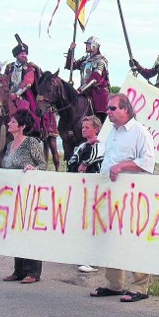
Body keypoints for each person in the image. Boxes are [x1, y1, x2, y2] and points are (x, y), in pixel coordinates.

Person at [89, 93, 155, 303]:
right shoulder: (112, 133)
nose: (108, 112)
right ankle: (114, 284)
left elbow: (147, 163)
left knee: (133, 239)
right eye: (107, 108)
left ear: (126, 109)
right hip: (110, 193)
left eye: (112, 108)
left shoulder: (140, 132)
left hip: (132, 195)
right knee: (111, 237)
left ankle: (139, 287)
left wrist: (123, 166)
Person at [1, 109, 47, 284]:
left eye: (12, 122)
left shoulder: (31, 143)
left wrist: (33, 169)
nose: (9, 124)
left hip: (29, 194)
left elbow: (42, 164)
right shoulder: (8, 145)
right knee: (16, 231)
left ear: (22, 126)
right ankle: (18, 270)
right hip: (12, 194)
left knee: (30, 231)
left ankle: (33, 271)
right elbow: (6, 168)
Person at [67, 115, 105, 273]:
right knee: (83, 222)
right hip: (82, 189)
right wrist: (83, 150)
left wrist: (84, 163)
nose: (84, 130)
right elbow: (70, 163)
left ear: (96, 129)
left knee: (95, 222)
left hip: (97, 189)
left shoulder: (102, 145)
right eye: (83, 127)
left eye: (87, 127)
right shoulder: (82, 146)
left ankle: (94, 259)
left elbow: (99, 159)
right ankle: (84, 255)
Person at [65, 36, 110, 123]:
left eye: (89, 44)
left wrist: (80, 89)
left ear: (95, 45)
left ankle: (102, 124)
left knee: (100, 110)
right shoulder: (85, 59)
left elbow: (95, 78)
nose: (87, 46)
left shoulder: (101, 60)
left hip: (98, 92)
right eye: (87, 44)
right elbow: (70, 66)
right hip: (85, 91)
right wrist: (70, 51)